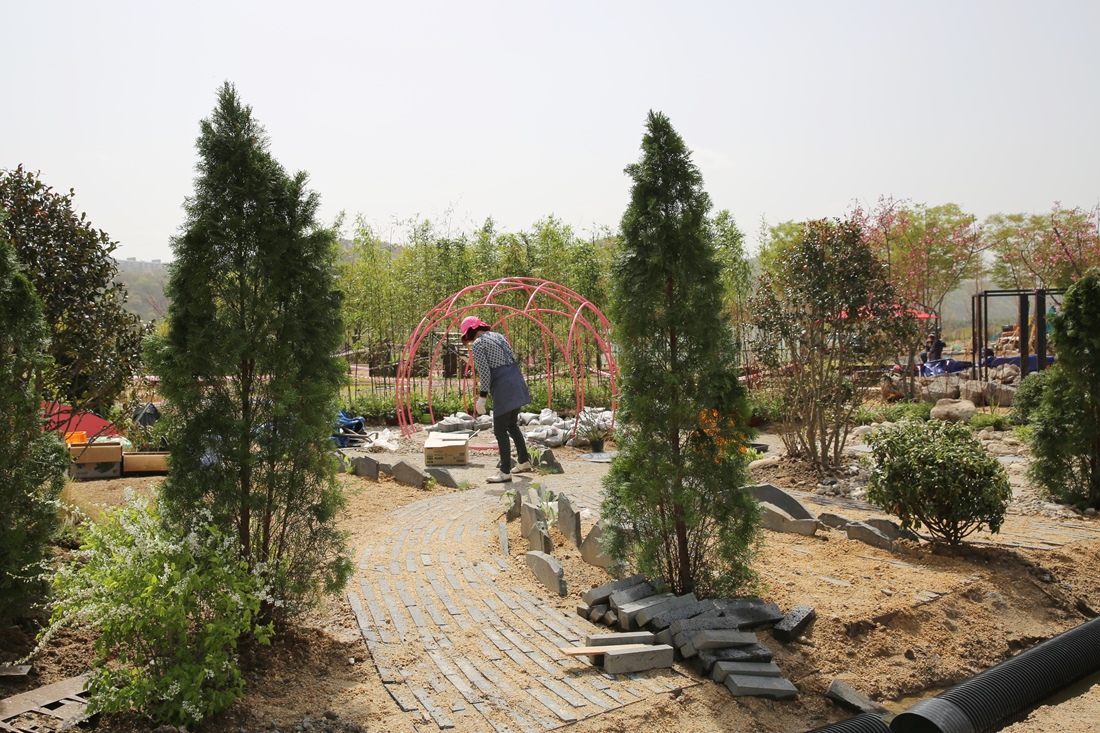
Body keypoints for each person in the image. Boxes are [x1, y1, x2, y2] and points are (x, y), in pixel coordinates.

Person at [461, 316, 533, 483]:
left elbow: (485, 372)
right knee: (511, 424)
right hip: (516, 381)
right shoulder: (498, 336)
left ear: (471, 331)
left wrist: (482, 397)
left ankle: (505, 471)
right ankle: (523, 461)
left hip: (504, 386)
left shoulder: (478, 344)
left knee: (500, 429)